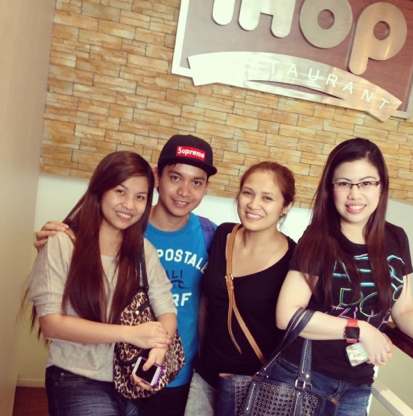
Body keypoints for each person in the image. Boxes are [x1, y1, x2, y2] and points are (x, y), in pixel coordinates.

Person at [274, 138, 413, 416]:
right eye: (344, 183)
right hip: (302, 375)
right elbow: (287, 315)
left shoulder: (395, 238)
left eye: (366, 183)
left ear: (381, 187)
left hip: (357, 385)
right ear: (331, 189)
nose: (354, 194)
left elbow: (403, 311)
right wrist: (361, 329)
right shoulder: (317, 238)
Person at [34, 134, 217, 416]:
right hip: (86, 374)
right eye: (175, 177)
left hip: (160, 371)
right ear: (157, 177)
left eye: (197, 182)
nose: (184, 191)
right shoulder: (79, 239)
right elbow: (52, 321)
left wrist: (159, 349)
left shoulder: (208, 236)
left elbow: (190, 306)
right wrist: (134, 334)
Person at [185, 161, 297, 415]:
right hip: (206, 377)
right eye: (248, 193)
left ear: (286, 206)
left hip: (256, 390)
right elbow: (206, 304)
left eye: (267, 198)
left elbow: (292, 331)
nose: (253, 204)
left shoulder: (294, 258)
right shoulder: (223, 234)